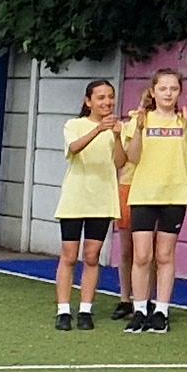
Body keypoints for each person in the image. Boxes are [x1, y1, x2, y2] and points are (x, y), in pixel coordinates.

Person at [117, 68, 187, 332]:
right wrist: (139, 128)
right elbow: (132, 157)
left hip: (174, 195)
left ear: (180, 92)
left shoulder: (184, 120)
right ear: (153, 92)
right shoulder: (140, 119)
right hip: (144, 194)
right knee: (142, 255)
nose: (168, 93)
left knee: (165, 255)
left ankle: (161, 311)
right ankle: (139, 309)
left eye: (173, 89)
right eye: (163, 88)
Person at [52, 76, 127, 330]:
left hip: (102, 199)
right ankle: (63, 310)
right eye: (101, 97)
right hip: (75, 197)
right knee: (69, 255)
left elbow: (120, 162)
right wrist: (98, 130)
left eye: (110, 97)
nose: (107, 102)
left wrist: (117, 136)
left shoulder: (117, 128)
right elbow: (73, 148)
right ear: (89, 101)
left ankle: (86, 309)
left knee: (92, 256)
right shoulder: (74, 125)